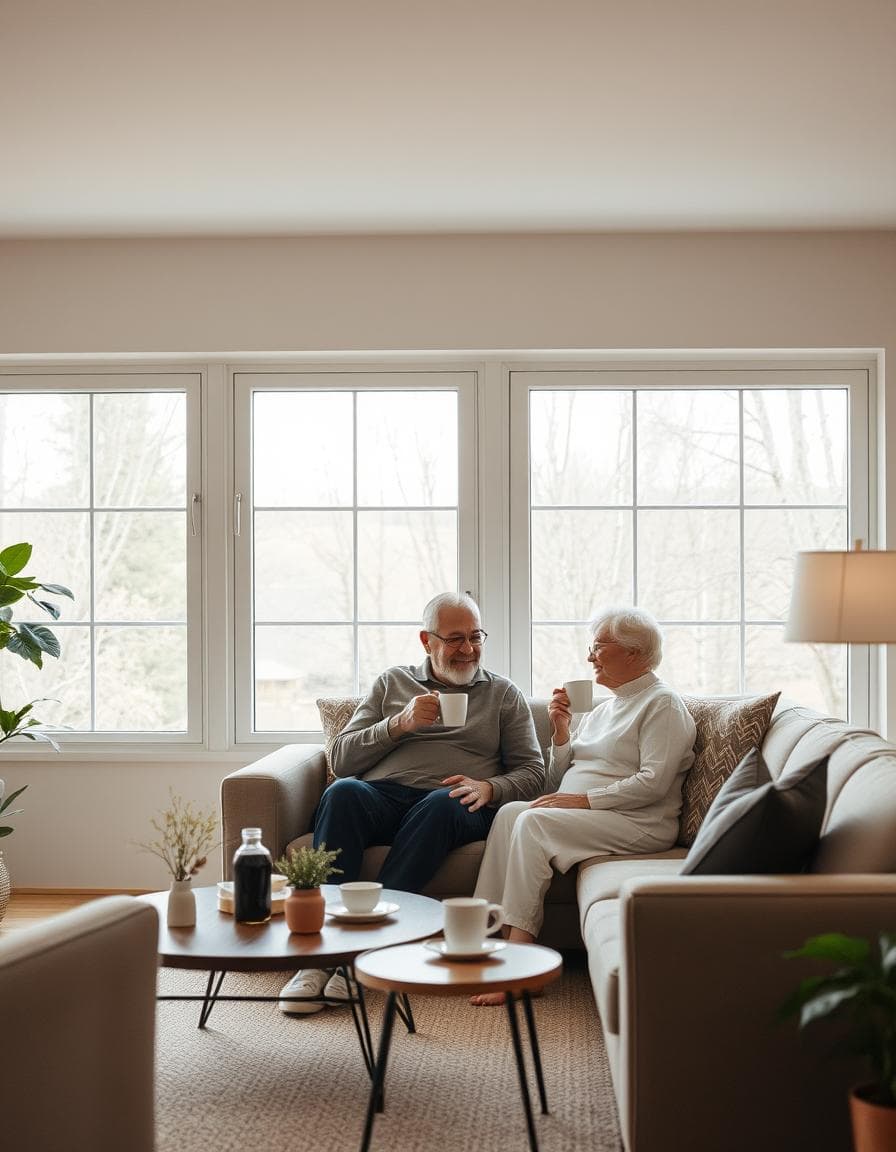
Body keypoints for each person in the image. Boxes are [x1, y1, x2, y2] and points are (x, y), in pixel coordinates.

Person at [279, 591, 545, 1014]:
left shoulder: (503, 694)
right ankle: (321, 955)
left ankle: (361, 951)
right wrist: (398, 724)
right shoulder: (392, 683)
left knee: (442, 802)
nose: (468, 649)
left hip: (456, 802)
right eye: (455, 638)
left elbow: (534, 772)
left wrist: (489, 788)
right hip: (385, 796)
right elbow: (342, 759)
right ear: (427, 641)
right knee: (342, 792)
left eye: (476, 637)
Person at [470, 606, 696, 1006]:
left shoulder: (662, 704)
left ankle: (524, 968)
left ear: (634, 653)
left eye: (598, 648)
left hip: (639, 821)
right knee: (509, 814)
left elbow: (654, 782)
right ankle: (482, 942)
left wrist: (583, 801)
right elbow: (558, 782)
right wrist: (561, 734)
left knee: (535, 823)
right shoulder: (605, 707)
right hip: (595, 814)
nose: (590, 657)